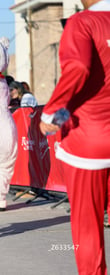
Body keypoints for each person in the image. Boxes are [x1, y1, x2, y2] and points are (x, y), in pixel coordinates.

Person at [39, 0, 110, 274]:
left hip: (88, 141)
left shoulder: (82, 22)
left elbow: (78, 68)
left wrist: (51, 113)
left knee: (87, 226)